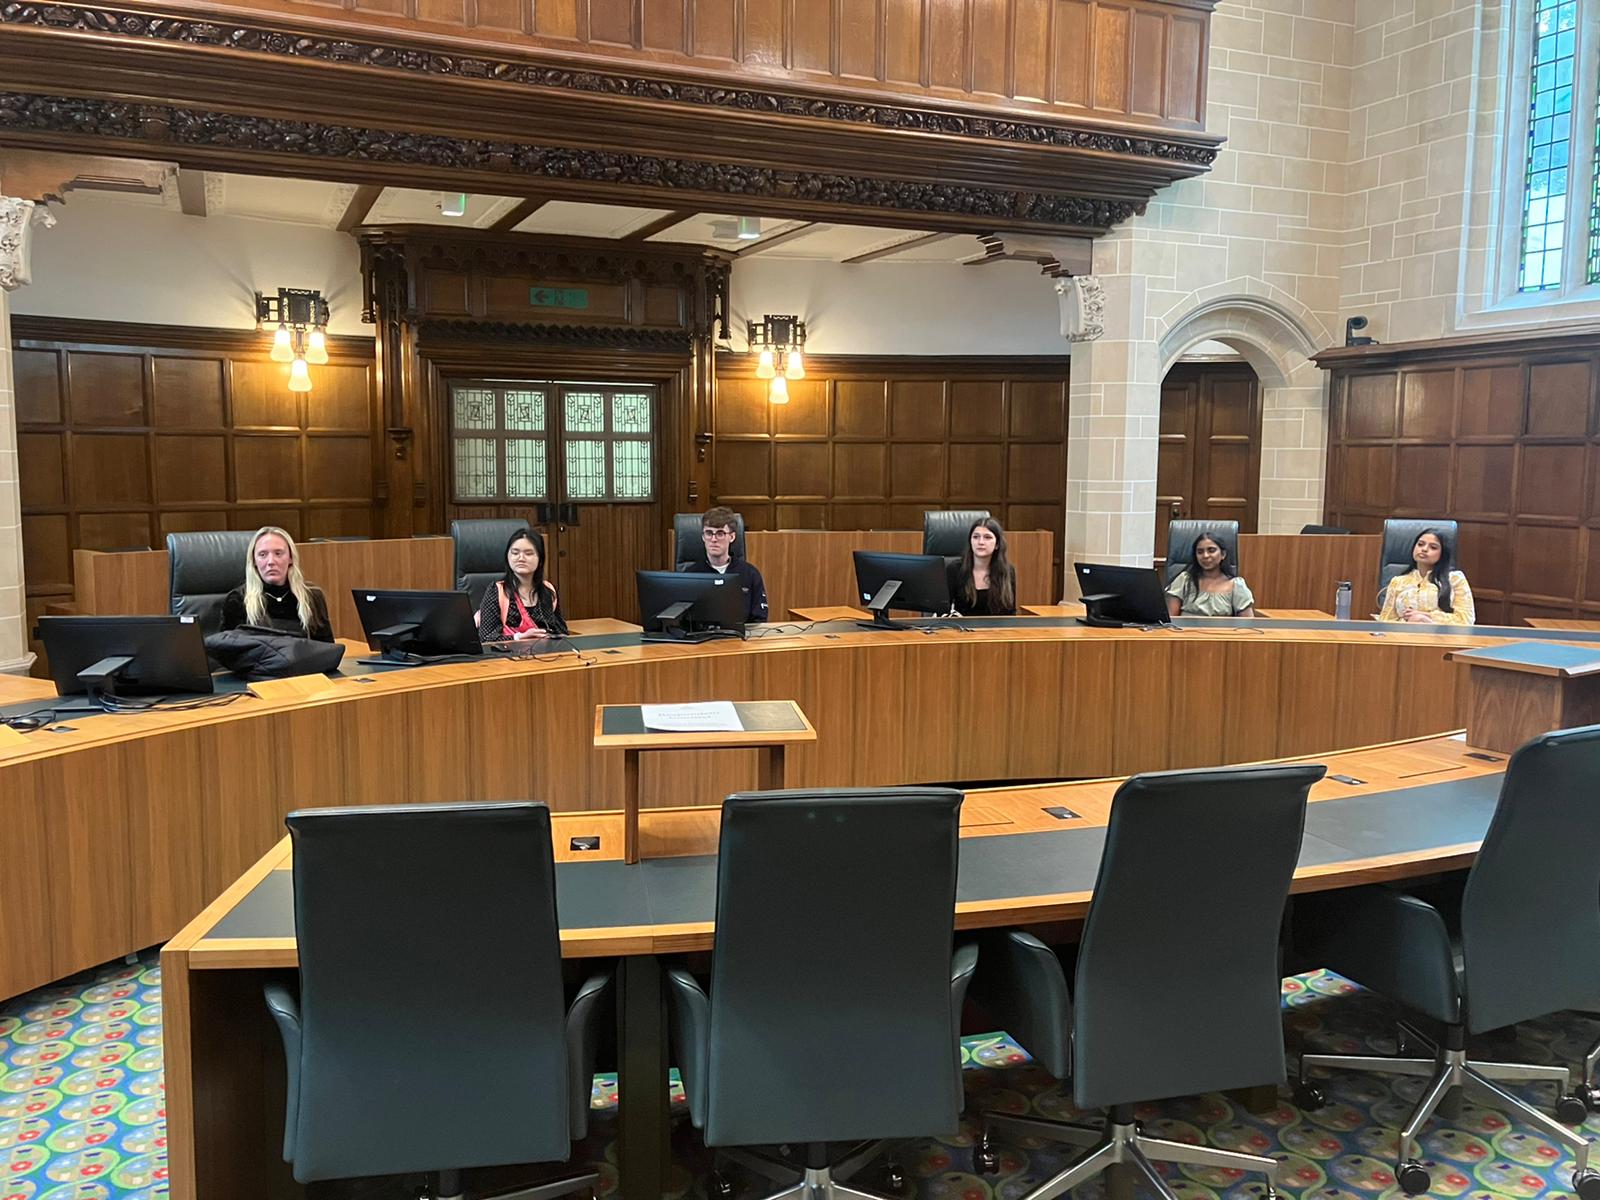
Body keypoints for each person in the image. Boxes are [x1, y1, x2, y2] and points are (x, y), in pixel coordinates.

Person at [220, 526, 335, 642]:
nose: (271, 561)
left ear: (290, 558)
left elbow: (326, 649)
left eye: (278, 553)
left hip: (304, 659)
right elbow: (228, 653)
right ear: (254, 561)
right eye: (263, 555)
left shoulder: (312, 597)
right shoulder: (237, 600)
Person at [478, 527, 569, 641]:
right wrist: (518, 637)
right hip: (506, 656)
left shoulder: (548, 591)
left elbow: (562, 632)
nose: (521, 558)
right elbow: (486, 638)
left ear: (540, 560)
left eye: (529, 553)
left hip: (545, 655)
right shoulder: (497, 591)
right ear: (507, 557)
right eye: (515, 553)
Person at [683, 506, 768, 623]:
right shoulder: (689, 575)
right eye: (709, 533)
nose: (713, 539)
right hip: (701, 638)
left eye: (720, 533)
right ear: (703, 537)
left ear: (732, 537)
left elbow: (760, 619)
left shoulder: (750, 574)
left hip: (740, 638)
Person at [1378, 528, 1474, 625]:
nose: (1424, 549)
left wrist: (1426, 617)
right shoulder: (1398, 581)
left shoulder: (1455, 579)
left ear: (1443, 554)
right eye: (1420, 544)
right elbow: (1386, 621)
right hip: (1402, 636)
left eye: (1433, 547)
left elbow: (1466, 620)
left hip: (1441, 637)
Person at [1165, 531, 1255, 618]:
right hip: (1184, 632)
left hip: (1222, 633)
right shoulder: (1184, 580)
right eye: (1200, 552)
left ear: (1223, 554)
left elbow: (1247, 626)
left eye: (1211, 550)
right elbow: (1170, 620)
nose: (1205, 555)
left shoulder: (1236, 585)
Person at [950, 517, 1017, 616]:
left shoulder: (1007, 571)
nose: (980, 542)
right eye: (976, 537)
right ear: (970, 541)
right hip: (961, 629)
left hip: (997, 630)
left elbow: (1010, 612)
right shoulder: (955, 569)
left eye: (987, 537)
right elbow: (943, 611)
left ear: (997, 544)